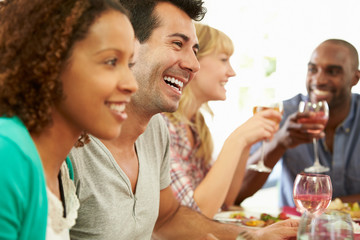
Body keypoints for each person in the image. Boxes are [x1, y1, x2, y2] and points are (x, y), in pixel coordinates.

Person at [69, 0, 298, 239]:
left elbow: (169, 218)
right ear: (128, 44)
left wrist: (251, 236)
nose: (194, 65)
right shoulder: (71, 147)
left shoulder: (155, 128)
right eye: (177, 44)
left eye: (195, 51)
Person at [0, 0, 137, 239]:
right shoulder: (7, 156)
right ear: (50, 60)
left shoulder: (64, 170)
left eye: (130, 64)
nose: (131, 84)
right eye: (111, 61)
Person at [162, 23, 282, 218]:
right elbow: (194, 216)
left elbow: (225, 200)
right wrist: (237, 140)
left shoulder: (196, 125)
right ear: (194, 62)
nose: (232, 72)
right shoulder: (163, 125)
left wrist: (246, 144)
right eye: (224, 60)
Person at [236, 39, 360, 207]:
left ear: (355, 78)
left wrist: (332, 206)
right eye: (312, 69)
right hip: (296, 229)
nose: (319, 79)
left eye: (332, 72)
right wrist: (279, 142)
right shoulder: (285, 114)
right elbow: (236, 193)